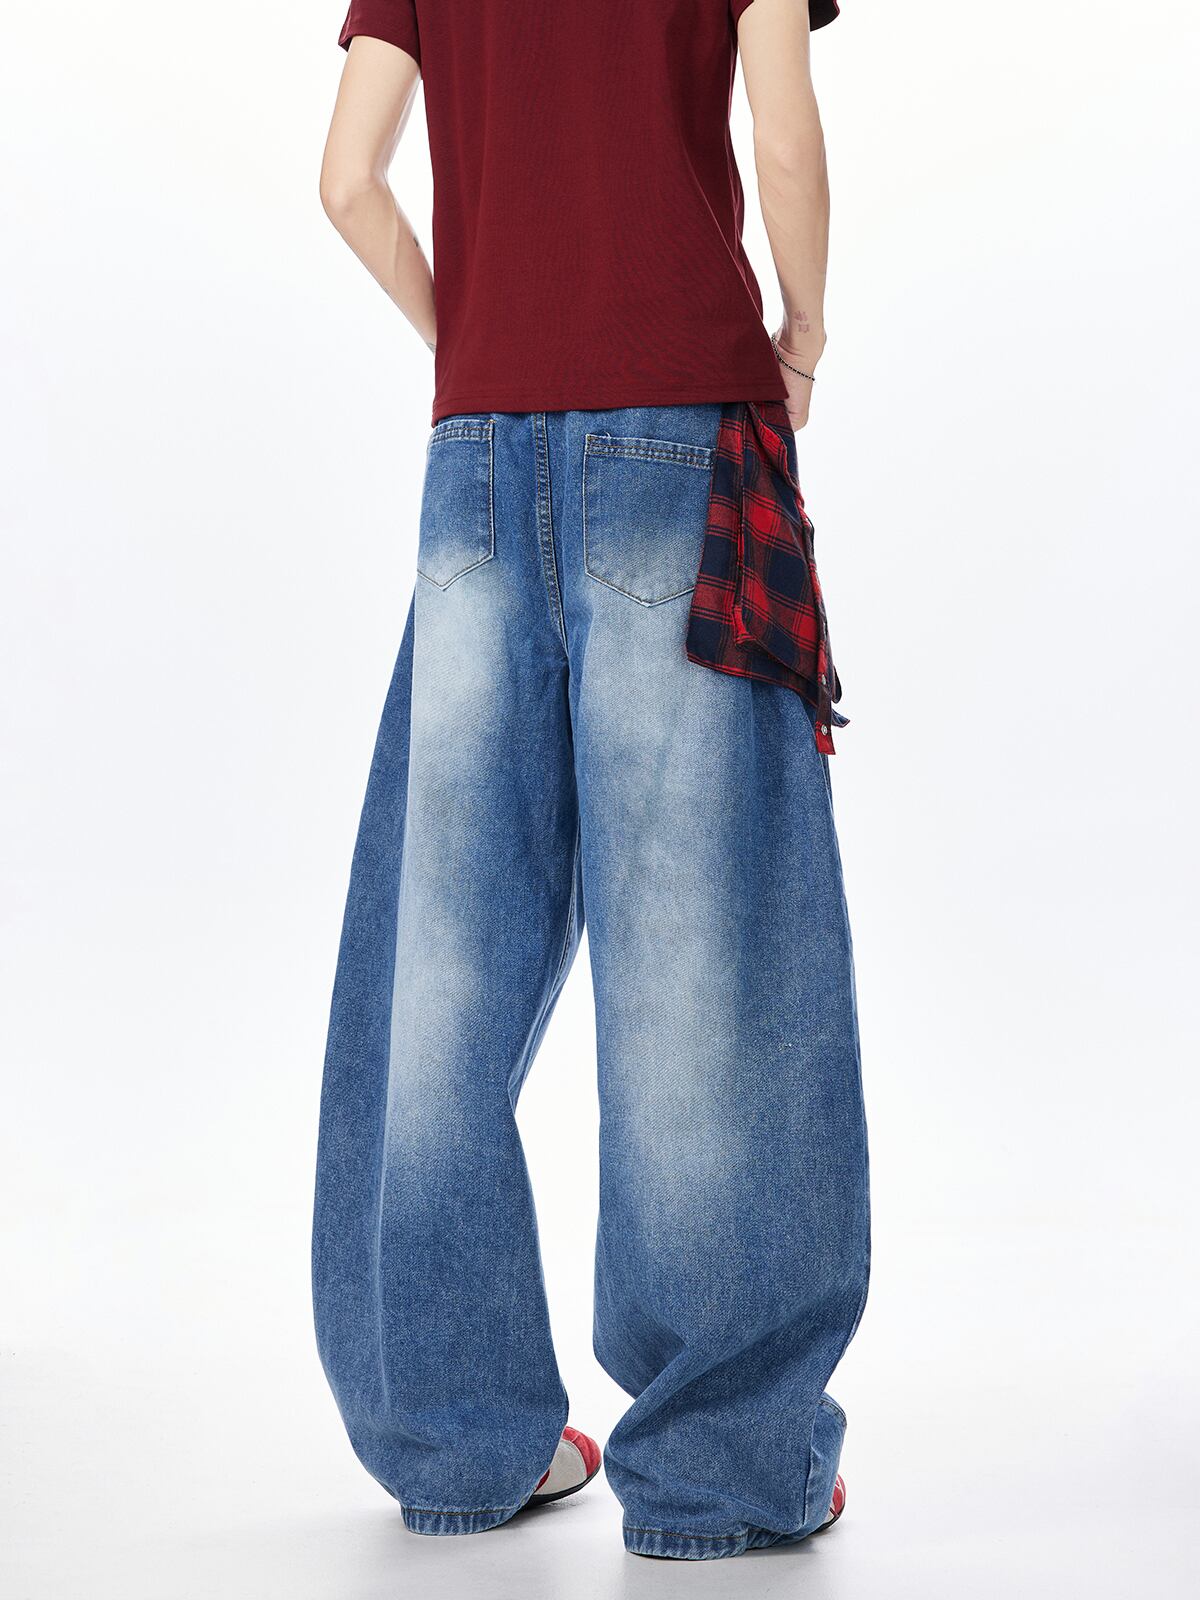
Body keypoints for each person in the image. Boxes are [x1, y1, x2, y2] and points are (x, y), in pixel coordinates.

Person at [312, 0, 869, 1563]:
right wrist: (804, 327)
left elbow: (348, 179)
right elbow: (783, 136)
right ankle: (721, 1465)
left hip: (478, 454)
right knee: (703, 965)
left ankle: (454, 1434)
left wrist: (475, 341)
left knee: (445, 961)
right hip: (683, 432)